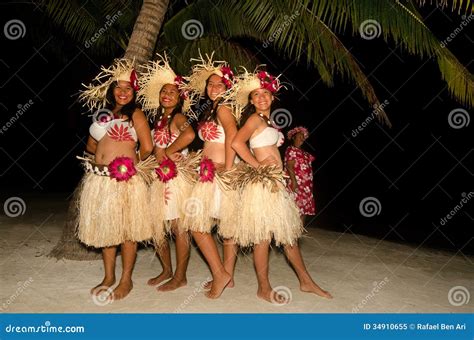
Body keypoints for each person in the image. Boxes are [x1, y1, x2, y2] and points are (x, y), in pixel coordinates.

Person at [231, 70, 332, 303]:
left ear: (272, 97)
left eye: (265, 93)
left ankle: (306, 281)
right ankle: (264, 288)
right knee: (263, 237)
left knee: (288, 236)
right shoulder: (254, 119)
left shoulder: (270, 122)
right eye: (256, 95)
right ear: (251, 100)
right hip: (263, 185)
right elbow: (237, 142)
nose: (261, 98)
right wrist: (257, 166)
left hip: (276, 184)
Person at [77, 59, 154, 300]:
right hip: (100, 179)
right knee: (106, 229)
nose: (122, 92)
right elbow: (91, 144)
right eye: (118, 88)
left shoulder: (136, 115)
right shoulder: (103, 114)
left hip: (124, 180)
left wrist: (132, 166)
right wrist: (95, 159)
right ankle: (109, 276)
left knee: (126, 231)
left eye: (127, 88)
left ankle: (126, 279)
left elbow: (148, 147)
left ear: (134, 92)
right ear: (112, 91)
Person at [181, 53, 239, 298]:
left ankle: (219, 274)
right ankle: (227, 276)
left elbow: (233, 135)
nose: (214, 88)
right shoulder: (211, 110)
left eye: (220, 84)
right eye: (210, 84)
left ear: (227, 88)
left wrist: (227, 167)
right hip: (208, 170)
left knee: (196, 224)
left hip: (219, 172)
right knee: (226, 226)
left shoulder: (224, 108)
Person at [137, 55, 196, 291]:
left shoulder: (178, 117)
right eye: (164, 92)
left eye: (172, 92)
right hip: (159, 178)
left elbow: (190, 135)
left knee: (178, 227)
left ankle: (180, 276)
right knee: (157, 227)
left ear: (180, 97)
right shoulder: (159, 119)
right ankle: (167, 269)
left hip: (175, 179)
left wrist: (170, 151)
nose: (167, 95)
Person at [285, 126, 316, 226]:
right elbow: (289, 166)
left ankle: (298, 235)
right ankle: (289, 237)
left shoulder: (305, 154)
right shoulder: (291, 150)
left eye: (303, 137)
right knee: (294, 209)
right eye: (299, 136)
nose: (302, 138)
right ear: (294, 137)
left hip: (306, 187)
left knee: (304, 211)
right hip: (296, 184)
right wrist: (294, 181)